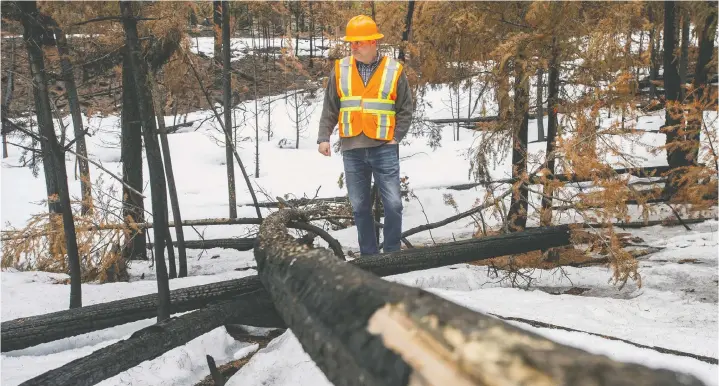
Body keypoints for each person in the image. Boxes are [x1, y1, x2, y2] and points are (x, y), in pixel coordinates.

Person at [316, 15, 413, 256]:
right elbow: (330, 106)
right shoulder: (341, 69)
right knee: (360, 207)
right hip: (352, 150)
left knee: (393, 205)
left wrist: (396, 137)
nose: (353, 47)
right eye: (352, 43)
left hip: (384, 148)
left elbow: (406, 108)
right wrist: (324, 137)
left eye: (358, 42)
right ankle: (370, 257)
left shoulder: (394, 70)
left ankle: (391, 254)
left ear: (372, 42)